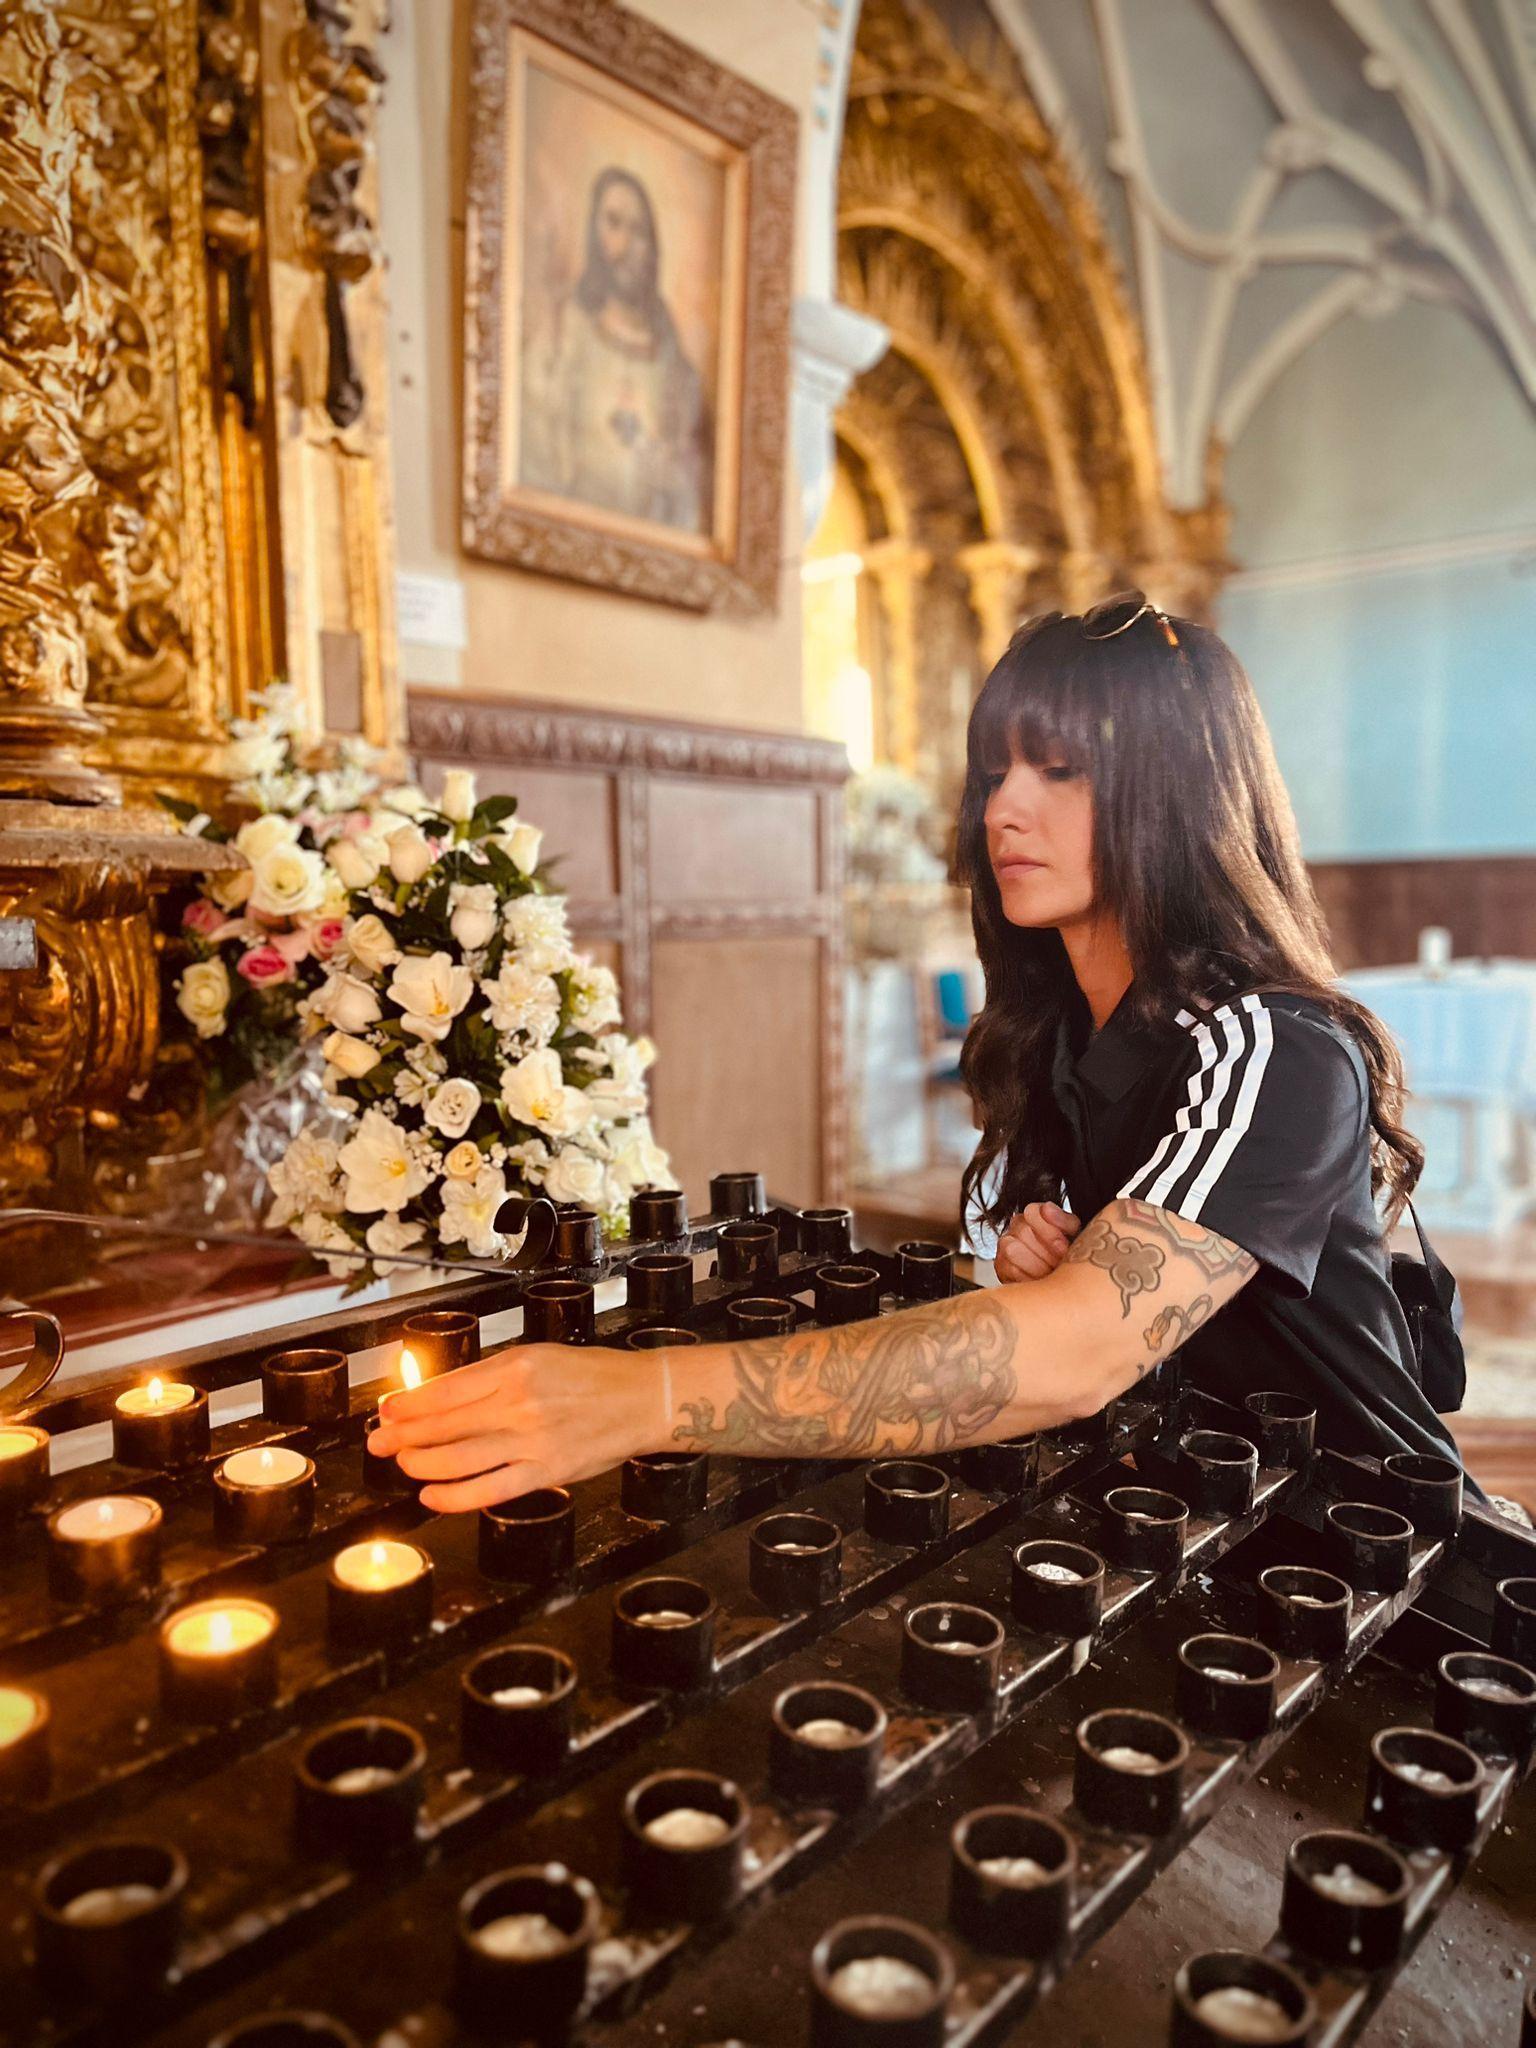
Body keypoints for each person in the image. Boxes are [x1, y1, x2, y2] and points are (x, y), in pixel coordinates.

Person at [369, 592, 1474, 1513]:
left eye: (1061, 771)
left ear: (1178, 792)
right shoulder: (1066, 1028)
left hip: (1368, 1539)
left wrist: (646, 1396)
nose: (1004, 810)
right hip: (1181, 1505)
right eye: (994, 773)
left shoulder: (1270, 1044)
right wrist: (1060, 1271)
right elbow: (1088, 1318)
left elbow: (1075, 1352)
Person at [519, 165, 709, 533]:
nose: (624, 246)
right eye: (613, 223)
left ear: (653, 246)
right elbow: (531, 453)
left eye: (638, 230)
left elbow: (690, 490)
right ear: (594, 232)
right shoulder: (561, 333)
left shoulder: (676, 369)